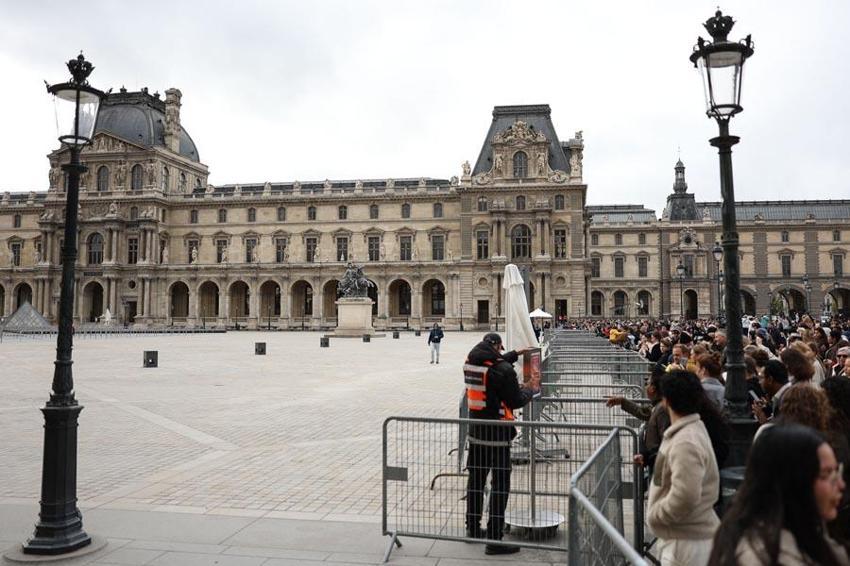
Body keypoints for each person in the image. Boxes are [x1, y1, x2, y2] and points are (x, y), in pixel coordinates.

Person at [707, 425, 848, 565]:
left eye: (837, 471)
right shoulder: (760, 556)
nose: (841, 484)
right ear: (794, 482)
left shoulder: (809, 539)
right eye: (826, 474)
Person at [464, 333, 538, 555]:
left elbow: (493, 365)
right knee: (500, 484)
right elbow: (515, 400)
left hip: (476, 430)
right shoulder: (503, 371)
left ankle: (473, 528)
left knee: (476, 480)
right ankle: (494, 538)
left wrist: (516, 354)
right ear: (496, 346)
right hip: (497, 433)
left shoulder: (470, 362)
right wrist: (529, 388)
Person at [648, 370, 721, 566]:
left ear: (666, 401)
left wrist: (657, 515)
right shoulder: (692, 431)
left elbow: (686, 495)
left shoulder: (685, 442)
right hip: (686, 537)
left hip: (685, 543)